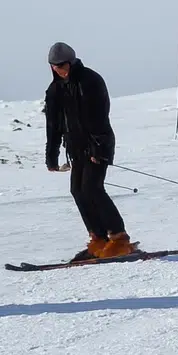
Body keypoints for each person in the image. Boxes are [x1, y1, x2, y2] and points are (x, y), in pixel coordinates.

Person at [44, 42, 137, 260]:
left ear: (71, 62)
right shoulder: (55, 90)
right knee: (77, 190)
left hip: (97, 145)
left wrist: (99, 147)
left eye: (62, 64)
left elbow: (100, 117)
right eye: (54, 66)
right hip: (75, 148)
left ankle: (119, 238)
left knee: (93, 188)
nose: (58, 69)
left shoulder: (90, 81)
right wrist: (52, 154)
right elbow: (53, 125)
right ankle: (98, 239)